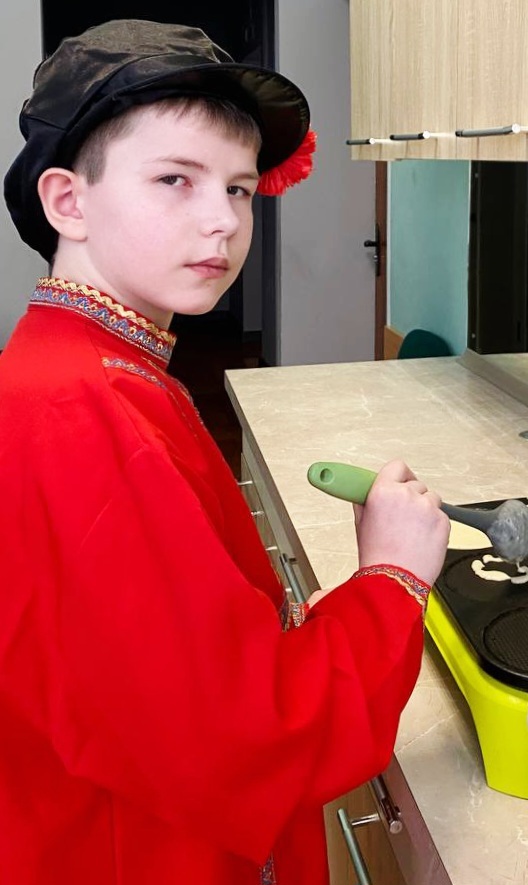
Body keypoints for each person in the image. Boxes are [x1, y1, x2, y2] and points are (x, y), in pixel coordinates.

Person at [0, 18, 450, 885]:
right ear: (69, 201)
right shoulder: (77, 411)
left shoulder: (96, 362)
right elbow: (244, 737)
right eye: (176, 178)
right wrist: (392, 577)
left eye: (240, 189)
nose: (224, 221)